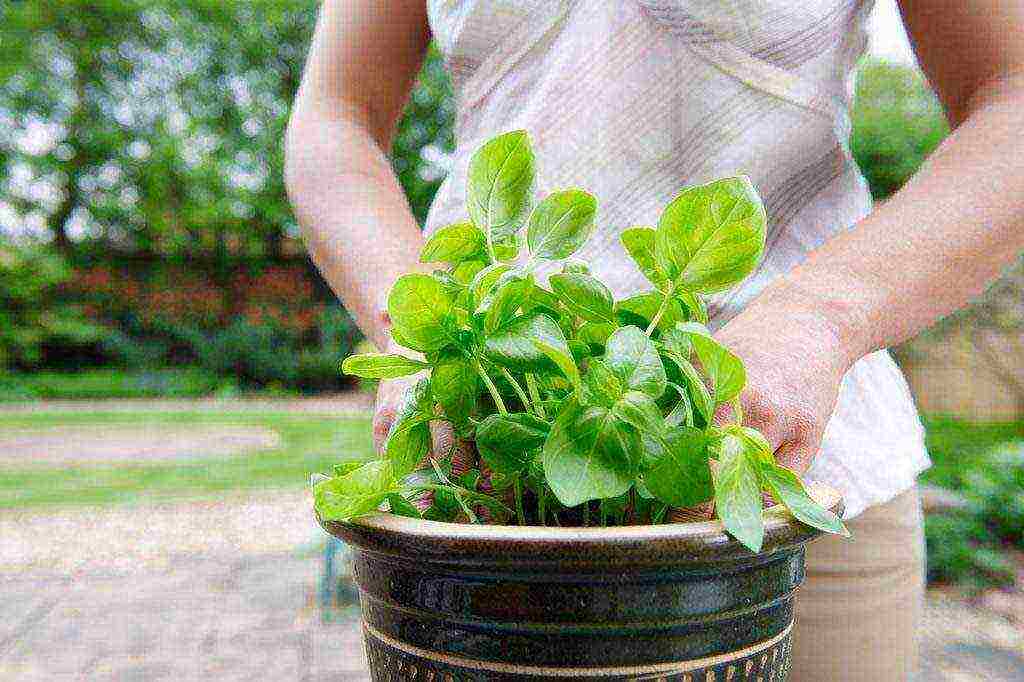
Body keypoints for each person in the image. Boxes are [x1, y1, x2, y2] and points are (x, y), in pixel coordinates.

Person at [285, 1, 1024, 679]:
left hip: (797, 458)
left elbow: (1012, 91)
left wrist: (819, 316)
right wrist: (416, 327)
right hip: (481, 448)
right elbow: (336, 113)